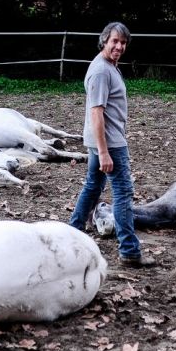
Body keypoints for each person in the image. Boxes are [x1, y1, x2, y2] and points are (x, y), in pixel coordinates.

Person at [69, 22, 156, 267]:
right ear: (104, 40)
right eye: (115, 41)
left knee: (93, 187)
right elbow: (96, 113)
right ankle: (129, 250)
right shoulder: (100, 71)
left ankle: (72, 232)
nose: (119, 46)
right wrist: (104, 151)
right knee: (123, 193)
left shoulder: (109, 66)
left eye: (123, 43)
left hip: (105, 141)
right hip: (110, 143)